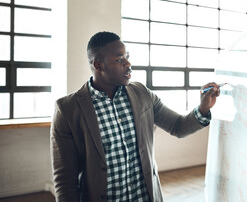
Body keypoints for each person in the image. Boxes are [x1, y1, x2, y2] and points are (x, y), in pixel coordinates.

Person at [50, 31, 221, 202]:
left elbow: (178, 126)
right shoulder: (67, 109)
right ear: (99, 65)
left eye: (127, 57)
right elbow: (65, 181)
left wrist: (203, 107)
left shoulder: (142, 94)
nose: (128, 64)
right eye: (119, 59)